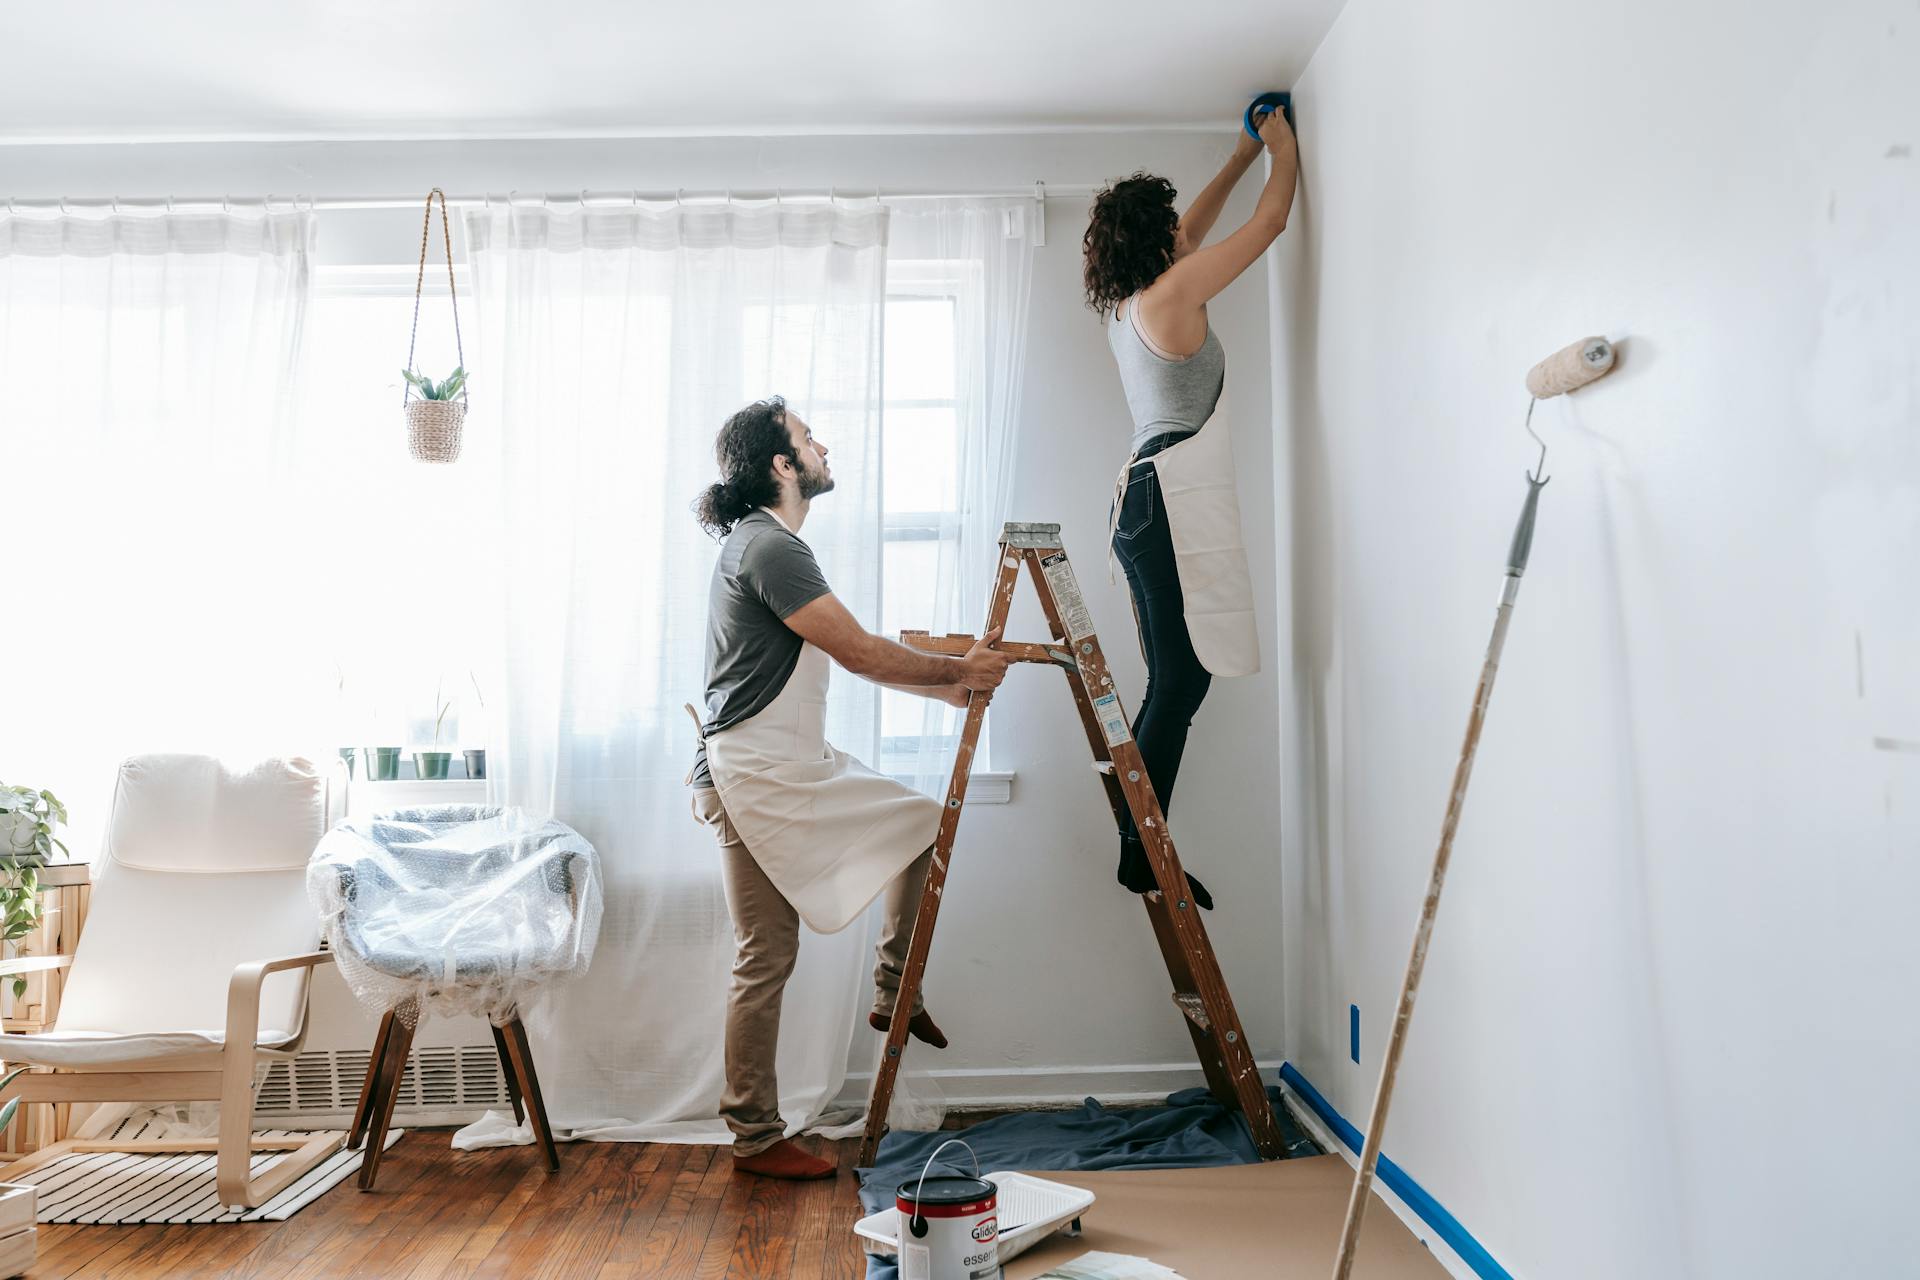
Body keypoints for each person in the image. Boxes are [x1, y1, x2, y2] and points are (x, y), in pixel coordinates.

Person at [687, 396, 1010, 1180]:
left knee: (914, 828)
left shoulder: (763, 544)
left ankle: (893, 985)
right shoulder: (770, 548)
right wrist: (958, 674)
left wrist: (949, 690)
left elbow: (845, 657)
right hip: (757, 771)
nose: (821, 445)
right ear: (780, 464)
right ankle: (758, 1136)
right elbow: (861, 652)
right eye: (806, 438)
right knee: (765, 954)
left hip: (777, 760)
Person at [1082, 105, 1299, 910]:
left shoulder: (1132, 304)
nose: (1185, 231)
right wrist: (1280, 150)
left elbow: (1196, 230)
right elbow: (1272, 224)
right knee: (1178, 683)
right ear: (1157, 240)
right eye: (1171, 225)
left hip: (1141, 498)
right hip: (1163, 495)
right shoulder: (1172, 292)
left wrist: (1240, 156)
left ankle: (1140, 839)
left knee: (1175, 679)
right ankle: (1140, 845)